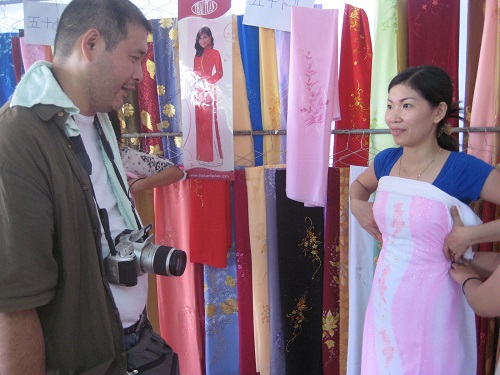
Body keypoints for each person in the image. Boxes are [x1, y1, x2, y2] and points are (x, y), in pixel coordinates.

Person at [0, 0, 178, 373]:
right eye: (134, 57)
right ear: (91, 43)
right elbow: (14, 302)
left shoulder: (100, 119)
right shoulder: (18, 138)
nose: (140, 75)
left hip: (133, 343)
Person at [350, 65, 500, 374]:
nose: (393, 117)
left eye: (407, 105)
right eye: (390, 105)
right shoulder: (386, 160)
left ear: (437, 112)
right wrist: (357, 204)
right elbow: (359, 187)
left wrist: (472, 236)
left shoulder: (462, 169)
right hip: (385, 301)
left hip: (436, 305)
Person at [192, 26, 223, 166]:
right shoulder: (196, 56)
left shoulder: (215, 53)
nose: (203, 40)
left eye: (205, 37)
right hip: (198, 91)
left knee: (209, 121)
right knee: (200, 123)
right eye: (200, 38)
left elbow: (220, 73)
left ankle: (213, 158)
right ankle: (202, 157)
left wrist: (209, 81)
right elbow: (194, 73)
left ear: (210, 38)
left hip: (210, 90)